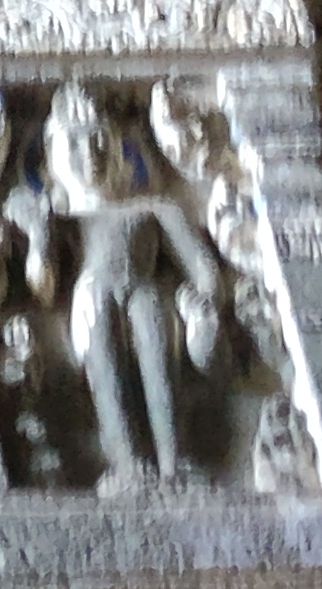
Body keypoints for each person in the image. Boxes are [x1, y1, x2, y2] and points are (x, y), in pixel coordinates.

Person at [23, 86, 229, 493]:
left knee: (150, 308)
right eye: (75, 142)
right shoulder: (62, 218)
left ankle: (174, 459)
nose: (90, 152)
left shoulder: (153, 208)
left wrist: (199, 303)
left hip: (145, 293)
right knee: (96, 299)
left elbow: (203, 271)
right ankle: (126, 460)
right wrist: (38, 236)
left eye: (99, 138)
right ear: (50, 152)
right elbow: (43, 290)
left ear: (119, 145)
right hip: (92, 300)